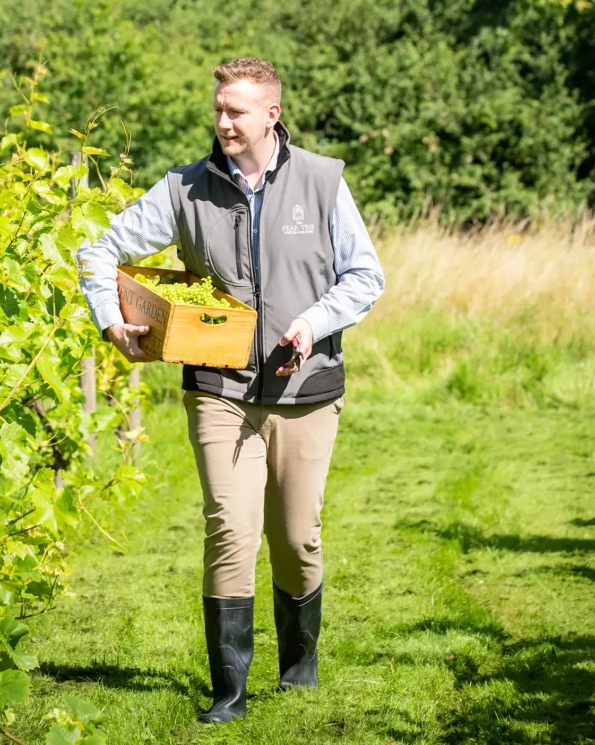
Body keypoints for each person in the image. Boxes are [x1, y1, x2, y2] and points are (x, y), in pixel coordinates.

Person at [77, 57, 385, 724]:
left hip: (306, 388)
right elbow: (97, 253)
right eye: (216, 110)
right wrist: (111, 319)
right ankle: (230, 694)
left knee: (297, 536)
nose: (221, 122)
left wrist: (311, 322)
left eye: (235, 112)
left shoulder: (322, 181)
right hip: (217, 388)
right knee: (229, 530)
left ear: (270, 114)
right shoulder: (185, 189)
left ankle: (299, 668)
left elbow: (365, 277)